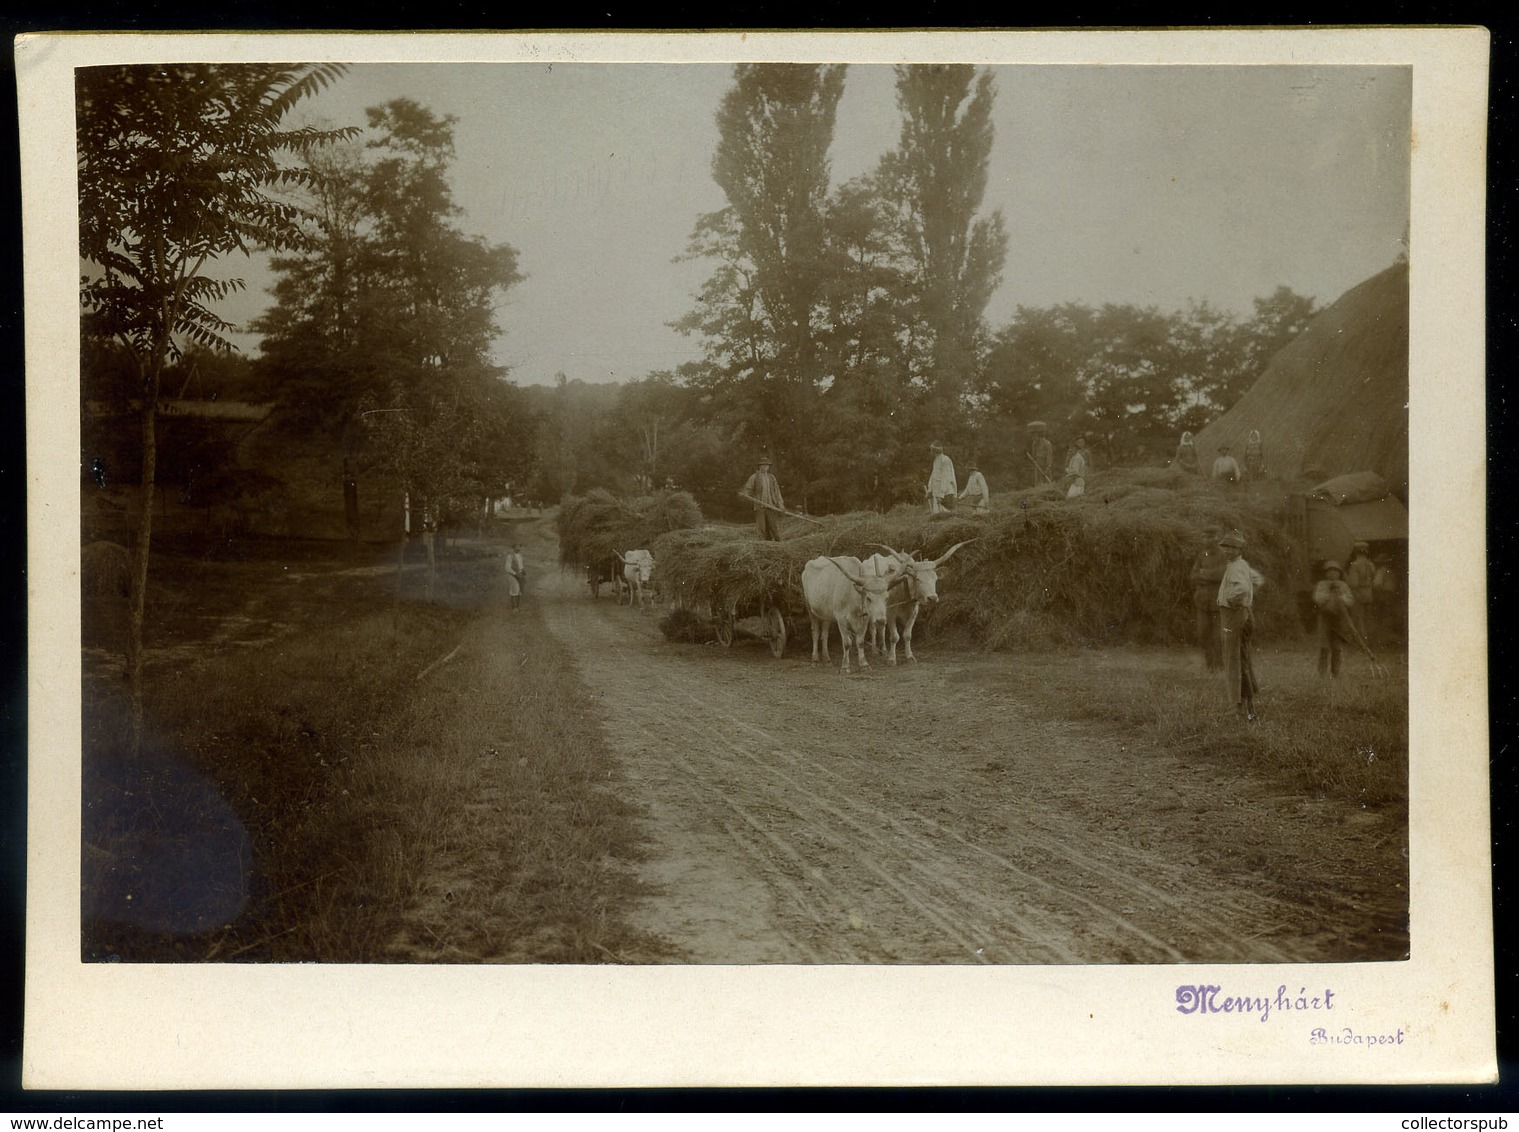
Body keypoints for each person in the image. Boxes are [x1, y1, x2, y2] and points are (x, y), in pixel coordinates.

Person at [1216, 529, 1263, 718]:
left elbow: (1242, 588)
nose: (1227, 551)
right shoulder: (1241, 565)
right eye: (1225, 547)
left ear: (1240, 549)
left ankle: (1235, 704)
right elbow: (1256, 580)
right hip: (1242, 612)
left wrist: (1231, 600)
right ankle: (1247, 701)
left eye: (1232, 547)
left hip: (1233, 614)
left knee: (1232, 658)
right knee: (1241, 657)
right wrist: (1247, 602)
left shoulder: (1235, 567)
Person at [1313, 560, 1355, 677]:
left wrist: (1340, 598)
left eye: (1335, 572)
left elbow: (1350, 600)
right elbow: (1317, 598)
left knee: (1337, 647)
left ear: (1339, 573)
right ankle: (1322, 673)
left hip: (1339, 620)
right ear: (1326, 573)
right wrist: (1330, 595)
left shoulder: (1343, 585)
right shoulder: (1321, 584)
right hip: (1325, 618)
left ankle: (1335, 672)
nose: (1332, 574)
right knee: (1324, 646)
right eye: (1330, 572)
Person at [1189, 538, 1227, 671]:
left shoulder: (1224, 554)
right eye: (1204, 537)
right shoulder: (1202, 555)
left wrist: (1204, 574)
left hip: (1218, 602)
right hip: (1202, 602)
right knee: (1203, 633)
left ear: (1215, 538)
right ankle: (1210, 665)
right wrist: (1209, 577)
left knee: (1219, 636)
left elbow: (1222, 575)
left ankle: (1221, 665)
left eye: (1209, 537)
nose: (1205, 540)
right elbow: (1193, 576)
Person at [740, 454, 786, 541]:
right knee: (762, 529)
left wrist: (780, 504)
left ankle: (779, 546)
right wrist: (745, 494)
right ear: (760, 466)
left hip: (771, 506)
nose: (765, 467)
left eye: (767, 466)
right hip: (759, 507)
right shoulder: (754, 477)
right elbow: (748, 488)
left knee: (774, 528)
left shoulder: (772, 478)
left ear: (768, 467)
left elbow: (777, 492)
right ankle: (765, 547)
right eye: (763, 465)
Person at [1345, 541, 1376, 640]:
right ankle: (1370, 638)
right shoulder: (1371, 564)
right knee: (1368, 617)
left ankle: (1362, 640)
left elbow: (1354, 584)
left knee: (1358, 617)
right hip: (1369, 593)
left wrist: (1346, 578)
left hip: (1358, 593)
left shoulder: (1355, 565)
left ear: (1355, 552)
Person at [926, 441, 957, 514]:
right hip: (937, 495)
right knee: (937, 517)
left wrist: (941, 495)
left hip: (946, 494)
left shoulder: (945, 460)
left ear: (934, 451)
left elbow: (945, 478)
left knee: (946, 517)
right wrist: (930, 490)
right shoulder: (936, 461)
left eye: (931, 450)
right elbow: (933, 476)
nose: (931, 452)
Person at [1027, 421, 1054, 486]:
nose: (1033, 437)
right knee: (1038, 480)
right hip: (1037, 463)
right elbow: (1033, 456)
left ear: (1040, 434)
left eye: (1035, 434)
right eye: (1032, 435)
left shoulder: (1047, 443)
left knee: (1045, 479)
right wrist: (1034, 445)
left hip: (1045, 463)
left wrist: (1048, 466)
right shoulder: (1035, 444)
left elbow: (1049, 456)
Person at [505, 544, 526, 611]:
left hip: (520, 574)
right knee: (514, 590)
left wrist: (523, 570)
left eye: (519, 546)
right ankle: (514, 607)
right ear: (513, 547)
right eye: (516, 546)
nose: (518, 548)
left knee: (519, 590)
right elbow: (507, 568)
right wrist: (515, 573)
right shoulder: (510, 556)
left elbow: (521, 565)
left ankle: (517, 606)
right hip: (513, 575)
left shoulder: (520, 556)